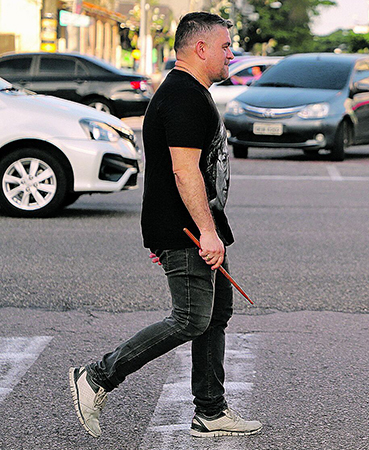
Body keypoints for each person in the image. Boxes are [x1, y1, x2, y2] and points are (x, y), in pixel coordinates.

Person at [68, 12, 262, 439]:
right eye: (226, 46)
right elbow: (182, 171)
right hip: (189, 229)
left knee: (215, 316)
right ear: (201, 48)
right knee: (192, 318)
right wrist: (206, 233)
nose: (232, 54)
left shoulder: (188, 92)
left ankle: (210, 411)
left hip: (195, 225)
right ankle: (99, 375)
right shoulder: (183, 96)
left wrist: (212, 229)